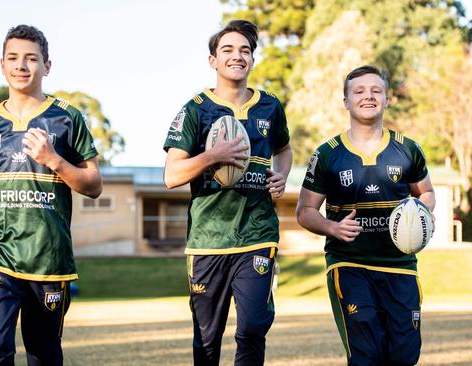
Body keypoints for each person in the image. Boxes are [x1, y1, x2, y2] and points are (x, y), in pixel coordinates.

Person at [0, 25, 102, 366]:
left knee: (43, 354)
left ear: (47, 66)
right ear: (1, 64)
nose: (21, 66)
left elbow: (93, 185)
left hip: (48, 257)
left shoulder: (67, 118)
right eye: (13, 58)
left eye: (31, 58)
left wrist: (54, 160)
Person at [163, 20, 292, 366]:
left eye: (245, 51)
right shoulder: (196, 109)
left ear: (252, 60)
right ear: (213, 61)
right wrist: (212, 157)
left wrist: (280, 175)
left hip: (257, 233)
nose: (237, 56)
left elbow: (285, 150)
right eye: (228, 50)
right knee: (206, 339)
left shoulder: (270, 107)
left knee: (252, 327)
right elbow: (171, 175)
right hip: (208, 240)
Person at [296, 65, 435, 366]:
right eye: (358, 91)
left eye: (376, 90)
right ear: (345, 101)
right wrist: (332, 228)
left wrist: (422, 213)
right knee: (366, 355)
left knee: (404, 356)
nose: (368, 96)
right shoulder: (328, 154)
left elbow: (426, 193)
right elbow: (305, 211)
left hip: (400, 266)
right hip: (350, 264)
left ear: (387, 99)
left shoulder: (407, 149)